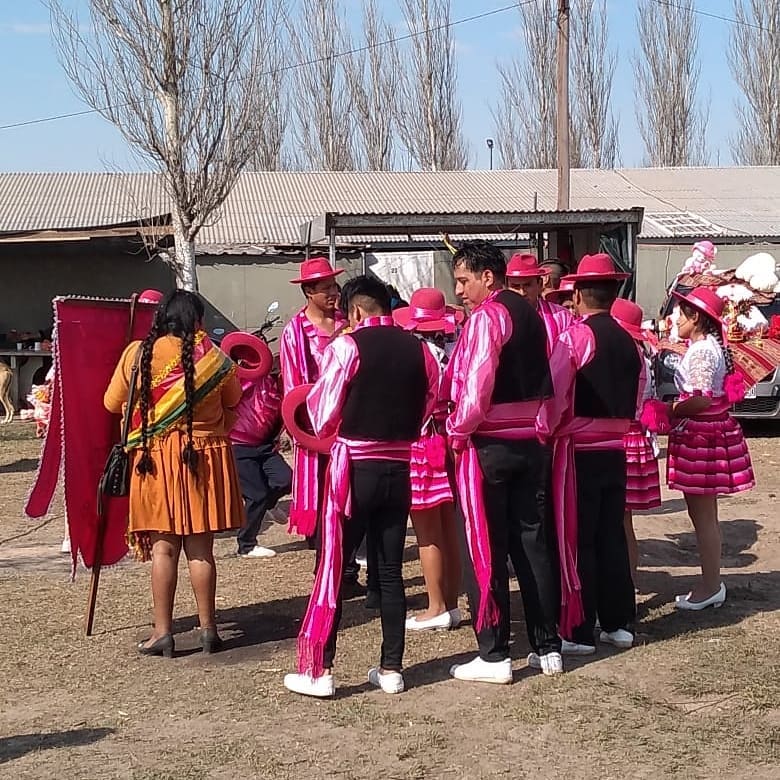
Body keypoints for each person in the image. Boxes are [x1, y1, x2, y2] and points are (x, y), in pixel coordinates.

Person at [283, 276, 438, 698]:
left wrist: (339, 433)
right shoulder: (420, 349)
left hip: (354, 468)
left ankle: (321, 669)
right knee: (389, 570)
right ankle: (391, 668)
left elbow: (321, 408)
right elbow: (430, 402)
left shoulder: (346, 347)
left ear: (354, 312)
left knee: (333, 567)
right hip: (399, 465)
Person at [445, 240, 563, 683]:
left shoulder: (487, 318)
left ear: (486, 277)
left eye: (462, 280)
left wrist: (457, 432)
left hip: (488, 444)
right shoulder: (534, 314)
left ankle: (493, 652)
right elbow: (551, 380)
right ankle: (547, 645)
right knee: (532, 542)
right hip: (530, 440)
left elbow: (476, 388)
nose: (459, 291)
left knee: (484, 548)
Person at [104, 290, 244, 657]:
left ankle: (163, 632)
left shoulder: (137, 354)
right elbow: (234, 404)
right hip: (203, 459)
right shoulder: (214, 357)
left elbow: (111, 402)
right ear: (197, 320)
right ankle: (208, 630)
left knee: (164, 549)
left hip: (153, 461)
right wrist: (211, 426)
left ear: (160, 318)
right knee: (201, 549)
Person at [538, 254, 642, 657]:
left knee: (576, 539)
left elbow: (556, 395)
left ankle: (578, 629)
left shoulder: (575, 338)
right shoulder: (631, 342)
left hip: (578, 451)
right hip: (616, 447)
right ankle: (619, 623)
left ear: (579, 294)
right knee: (611, 534)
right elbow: (638, 395)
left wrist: (544, 432)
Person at [666, 287, 755, 609]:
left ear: (695, 318)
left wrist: (670, 411)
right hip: (706, 433)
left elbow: (700, 397)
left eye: (680, 313)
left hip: (701, 436)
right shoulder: (707, 346)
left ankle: (710, 585)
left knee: (702, 515)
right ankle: (710, 582)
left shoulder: (702, 350)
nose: (675, 318)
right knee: (705, 515)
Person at [393, 288, 462, 631]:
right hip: (451, 438)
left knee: (426, 531)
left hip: (422, 442)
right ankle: (452, 601)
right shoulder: (454, 348)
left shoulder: (417, 354)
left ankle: (435, 606)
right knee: (450, 526)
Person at [280, 257, 345, 539]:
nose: (333, 293)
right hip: (313, 427)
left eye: (334, 286)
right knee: (320, 490)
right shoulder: (295, 333)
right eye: (325, 288)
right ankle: (324, 552)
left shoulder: (347, 323)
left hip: (348, 423)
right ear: (308, 292)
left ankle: (349, 555)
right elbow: (293, 388)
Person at [611, 299, 662, 584]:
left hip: (623, 439)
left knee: (619, 522)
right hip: (634, 438)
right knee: (623, 522)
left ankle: (623, 585)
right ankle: (626, 584)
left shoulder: (626, 356)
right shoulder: (640, 354)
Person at [228, 334, 293, 558]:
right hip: (238, 444)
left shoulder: (275, 381)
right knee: (256, 494)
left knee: (286, 480)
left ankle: (268, 503)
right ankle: (246, 544)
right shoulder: (235, 379)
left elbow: (285, 410)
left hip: (265, 446)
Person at [506, 253, 573, 350]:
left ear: (540, 284)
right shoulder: (498, 319)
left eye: (527, 285)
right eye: (515, 286)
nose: (522, 292)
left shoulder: (561, 316)